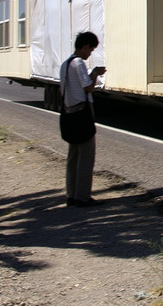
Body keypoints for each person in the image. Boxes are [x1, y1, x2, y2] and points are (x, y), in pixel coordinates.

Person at [59, 31, 106, 207]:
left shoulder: (65, 64)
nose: (90, 54)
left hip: (69, 112)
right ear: (85, 46)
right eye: (91, 50)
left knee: (73, 157)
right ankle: (83, 196)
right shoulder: (78, 63)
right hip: (82, 113)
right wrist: (94, 73)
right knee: (86, 157)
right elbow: (88, 87)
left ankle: (71, 194)